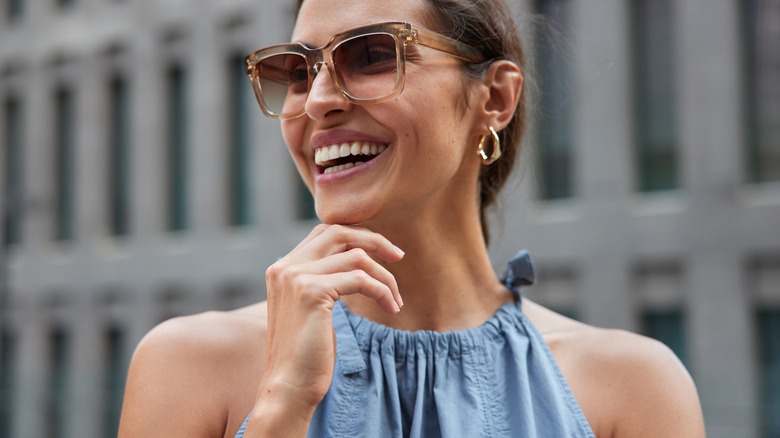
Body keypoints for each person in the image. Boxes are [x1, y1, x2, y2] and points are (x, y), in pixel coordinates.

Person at [118, 0, 706, 436]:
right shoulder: (189, 366)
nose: (318, 100)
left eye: (372, 55)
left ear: (495, 99)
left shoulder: (633, 388)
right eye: (298, 72)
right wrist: (282, 407)